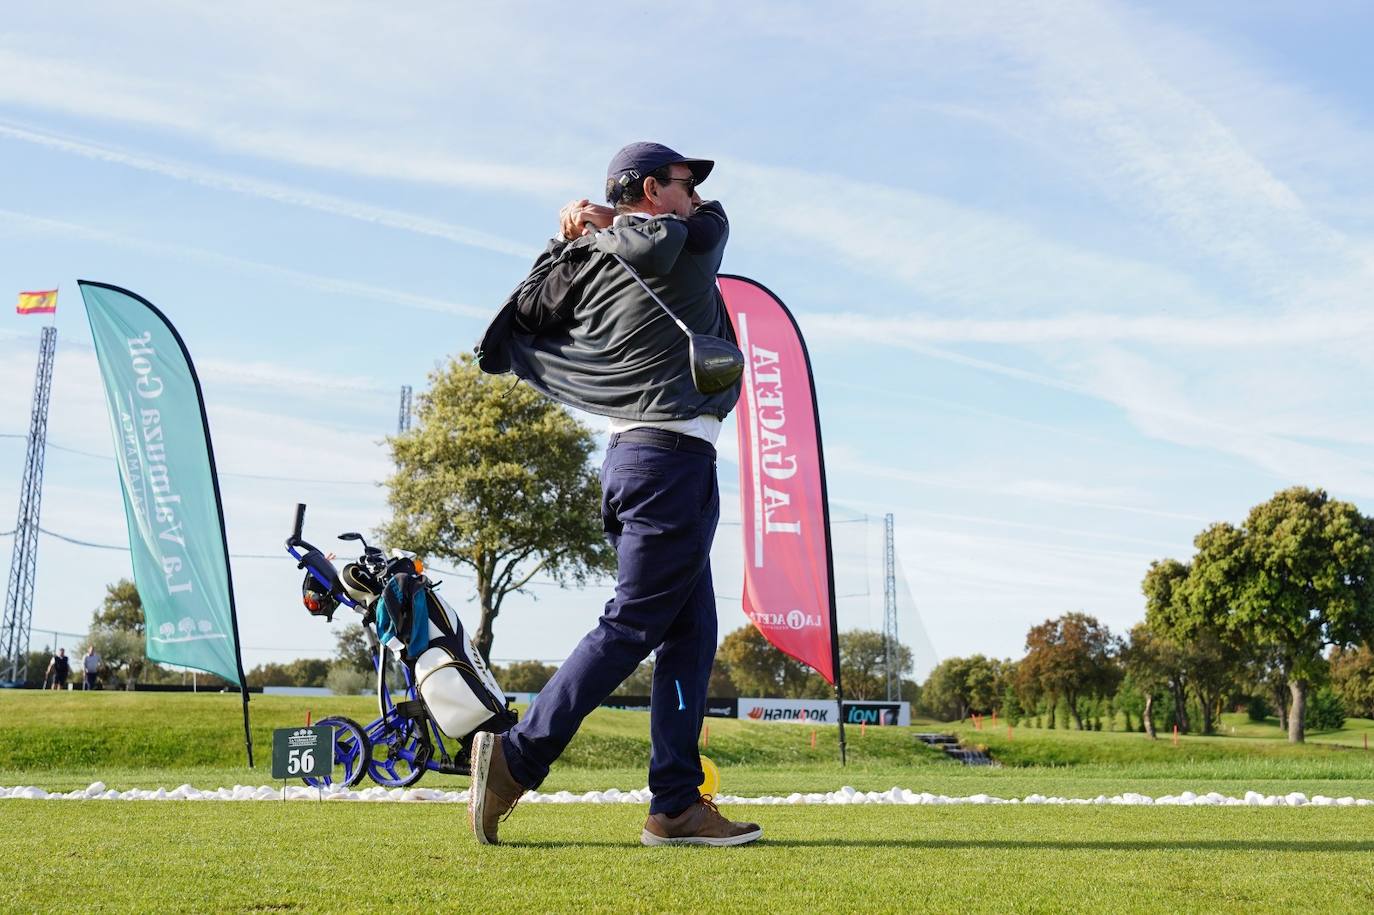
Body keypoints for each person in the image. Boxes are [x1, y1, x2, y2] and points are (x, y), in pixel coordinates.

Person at [472, 141, 760, 847]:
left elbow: (531, 305)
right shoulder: (687, 243)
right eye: (683, 183)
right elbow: (714, 224)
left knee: (689, 633)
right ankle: (517, 755)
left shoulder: (592, 259)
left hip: (633, 460)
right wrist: (600, 226)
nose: (695, 195)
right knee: (633, 624)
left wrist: (570, 234)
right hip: (670, 466)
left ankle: (675, 804)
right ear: (651, 191)